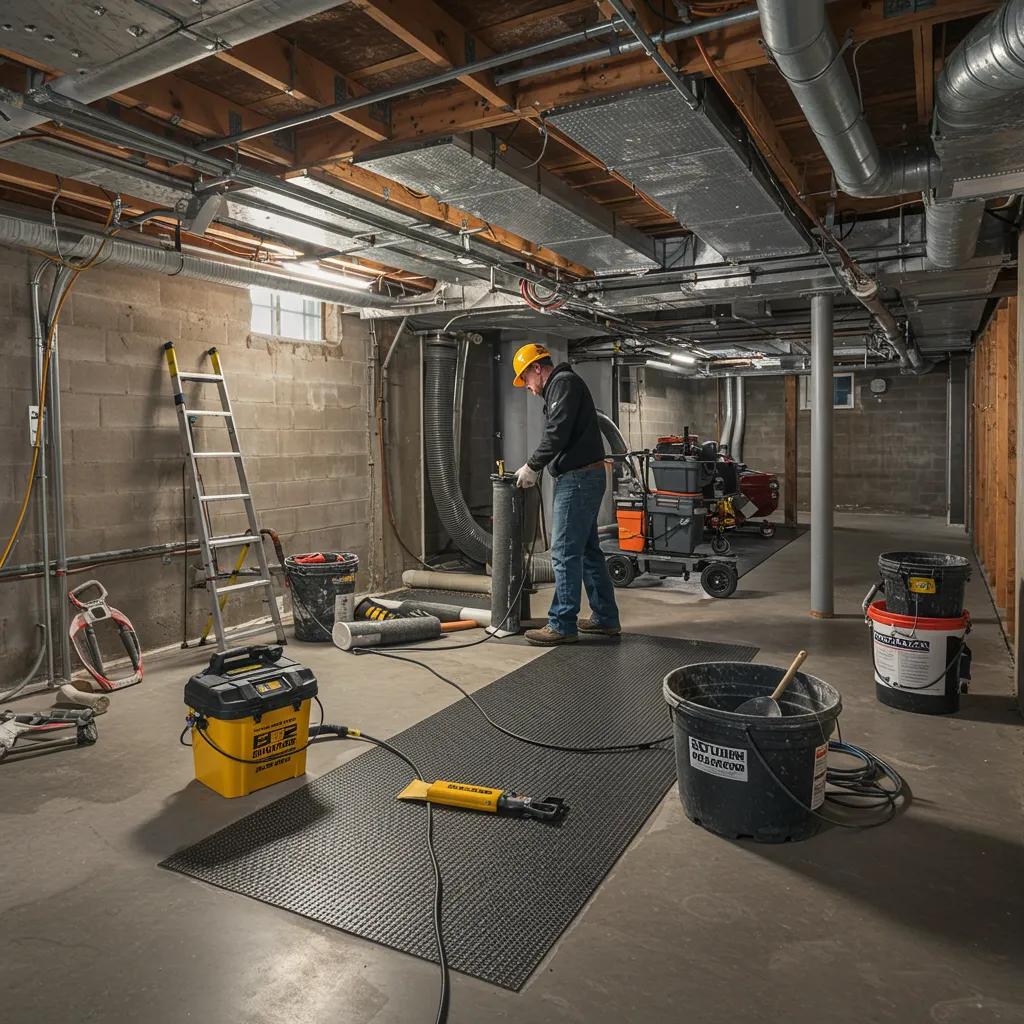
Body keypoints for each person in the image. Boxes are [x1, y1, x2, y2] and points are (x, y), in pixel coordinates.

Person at [511, 343, 621, 646]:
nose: (529, 389)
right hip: (585, 476)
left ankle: (562, 623)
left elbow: (557, 431)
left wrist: (532, 466)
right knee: (587, 552)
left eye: (526, 379)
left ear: (537, 368)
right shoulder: (563, 386)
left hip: (579, 479)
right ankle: (606, 618)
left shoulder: (563, 383)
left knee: (563, 552)